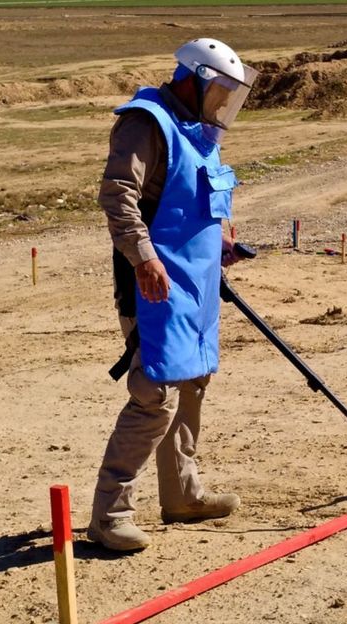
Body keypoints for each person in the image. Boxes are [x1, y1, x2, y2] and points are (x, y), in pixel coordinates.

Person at [89, 38, 258, 552]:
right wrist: (144, 258)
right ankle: (110, 515)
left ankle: (183, 495)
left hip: (197, 281)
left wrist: (225, 240)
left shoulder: (198, 131)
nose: (224, 101)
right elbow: (118, 194)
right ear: (193, 79)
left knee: (195, 379)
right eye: (219, 89)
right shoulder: (146, 122)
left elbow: (203, 197)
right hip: (151, 281)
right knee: (154, 392)